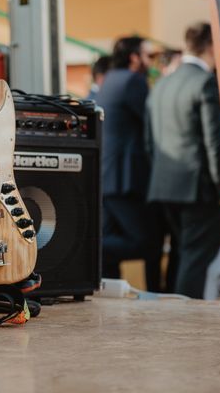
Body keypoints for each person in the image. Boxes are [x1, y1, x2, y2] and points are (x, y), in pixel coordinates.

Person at [144, 22, 220, 298]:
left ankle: (176, 313)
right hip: (198, 188)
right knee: (195, 258)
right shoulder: (205, 82)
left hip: (164, 185)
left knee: (184, 253)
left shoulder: (162, 84)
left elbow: (149, 142)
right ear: (212, 46)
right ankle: (186, 319)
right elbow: (214, 142)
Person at [95, 35, 163, 291]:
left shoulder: (110, 79)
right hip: (126, 178)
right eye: (148, 56)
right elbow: (151, 124)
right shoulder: (134, 81)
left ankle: (108, 286)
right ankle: (91, 248)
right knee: (147, 243)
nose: (151, 62)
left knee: (110, 238)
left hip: (109, 176)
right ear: (135, 58)